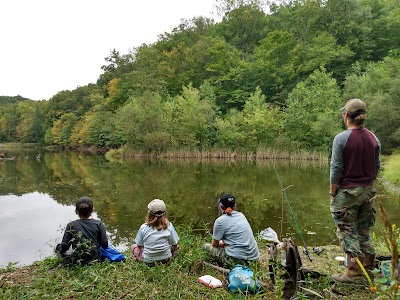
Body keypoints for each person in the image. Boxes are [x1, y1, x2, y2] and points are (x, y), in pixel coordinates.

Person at [329, 98, 381, 285]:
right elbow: (377, 166)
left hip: (347, 193)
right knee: (364, 230)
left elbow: (336, 168)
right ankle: (367, 271)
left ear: (346, 116)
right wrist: (367, 186)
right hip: (368, 191)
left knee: (347, 230)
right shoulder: (373, 138)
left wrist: (333, 192)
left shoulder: (341, 138)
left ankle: (354, 274)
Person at [203, 193, 260, 268]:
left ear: (221, 206)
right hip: (254, 260)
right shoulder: (241, 215)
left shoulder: (220, 221)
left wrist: (220, 243)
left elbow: (214, 245)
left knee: (205, 247)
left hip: (238, 261)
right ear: (234, 206)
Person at [55, 197, 108, 266]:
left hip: (77, 262)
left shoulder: (71, 225)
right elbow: (105, 244)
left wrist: (57, 247)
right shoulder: (98, 224)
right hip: (96, 260)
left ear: (76, 211)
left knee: (58, 247)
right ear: (92, 210)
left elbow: (64, 248)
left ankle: (66, 263)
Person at [130, 199, 179, 266]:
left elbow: (139, 245)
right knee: (176, 247)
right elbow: (174, 244)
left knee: (133, 246)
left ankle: (140, 259)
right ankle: (167, 260)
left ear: (149, 213)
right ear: (164, 213)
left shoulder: (143, 227)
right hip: (166, 260)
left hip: (148, 262)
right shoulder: (169, 225)